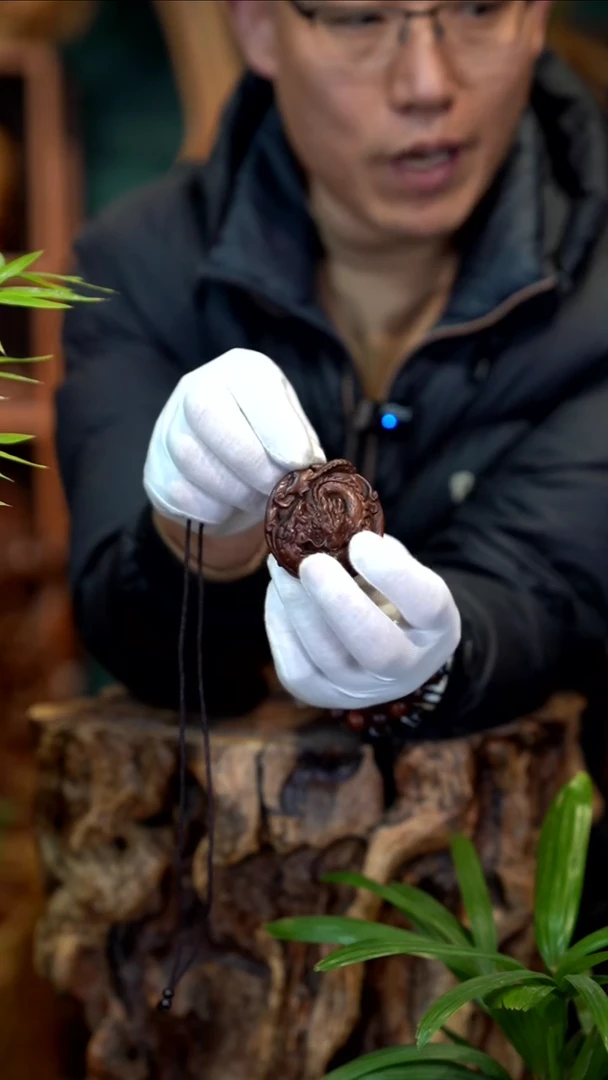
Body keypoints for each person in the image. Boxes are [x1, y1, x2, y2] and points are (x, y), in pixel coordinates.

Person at [57, 0, 608, 741]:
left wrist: (441, 660)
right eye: (359, 20)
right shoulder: (138, 267)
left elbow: (549, 587)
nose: (426, 83)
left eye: (479, 9)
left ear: (537, 16)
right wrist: (199, 545)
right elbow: (132, 638)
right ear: (256, 26)